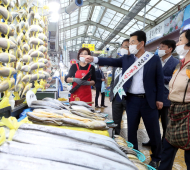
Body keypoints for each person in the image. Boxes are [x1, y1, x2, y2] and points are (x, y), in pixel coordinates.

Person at [81, 30, 164, 169]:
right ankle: (133, 156)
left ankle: (156, 157)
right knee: (131, 130)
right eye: (129, 43)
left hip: (149, 101)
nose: (129, 45)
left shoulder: (153, 59)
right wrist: (94, 59)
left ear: (141, 43)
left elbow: (159, 81)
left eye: (132, 42)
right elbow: (111, 61)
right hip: (131, 100)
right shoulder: (127, 59)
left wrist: (159, 99)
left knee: (153, 131)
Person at [159, 29, 190, 170]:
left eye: (181, 40)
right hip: (174, 110)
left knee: (189, 154)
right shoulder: (180, 64)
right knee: (167, 148)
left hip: (187, 113)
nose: (178, 43)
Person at [143, 40, 179, 146]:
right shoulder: (155, 60)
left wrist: (159, 78)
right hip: (153, 97)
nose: (159, 49)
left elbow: (175, 78)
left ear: (170, 49)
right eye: (160, 46)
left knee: (165, 122)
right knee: (152, 122)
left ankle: (164, 143)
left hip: (166, 98)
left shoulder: (176, 63)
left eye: (163, 47)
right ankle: (153, 140)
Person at [110, 39, 129, 135]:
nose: (124, 48)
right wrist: (111, 95)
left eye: (126, 46)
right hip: (117, 95)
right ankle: (116, 138)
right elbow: (113, 81)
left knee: (132, 121)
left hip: (129, 96)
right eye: (123, 46)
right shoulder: (116, 64)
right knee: (116, 120)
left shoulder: (134, 62)